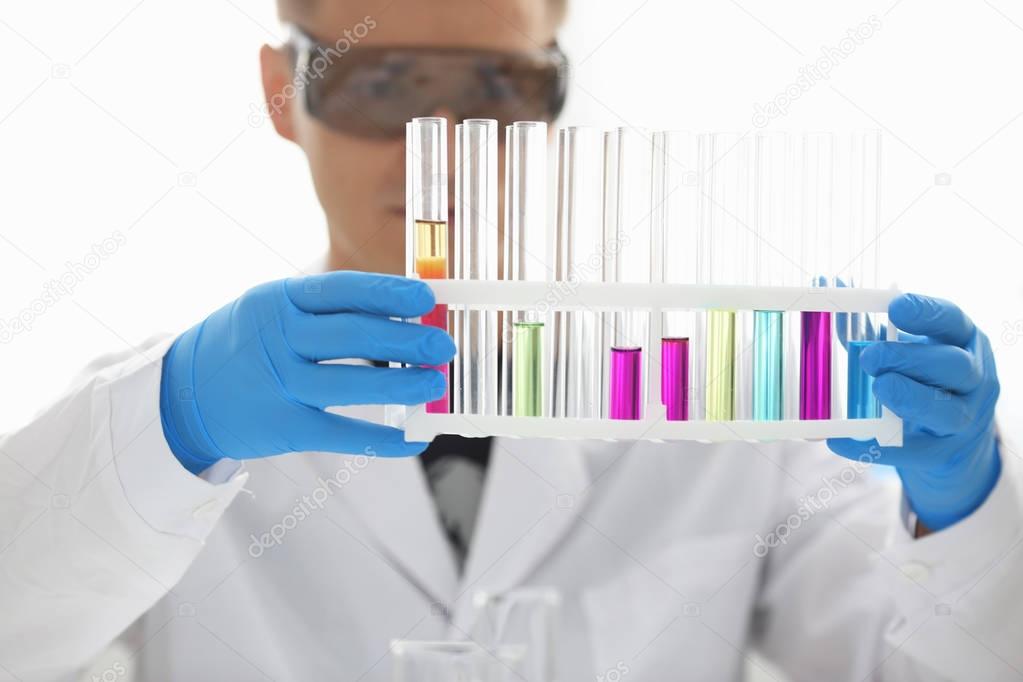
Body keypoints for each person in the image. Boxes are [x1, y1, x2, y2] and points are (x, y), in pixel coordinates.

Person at [1, 0, 1020, 679]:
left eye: (495, 90)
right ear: (283, 90)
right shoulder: (167, 432)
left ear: (556, 96)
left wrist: (963, 510)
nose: (438, 147)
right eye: (381, 84)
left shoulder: (726, 408)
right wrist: (174, 423)